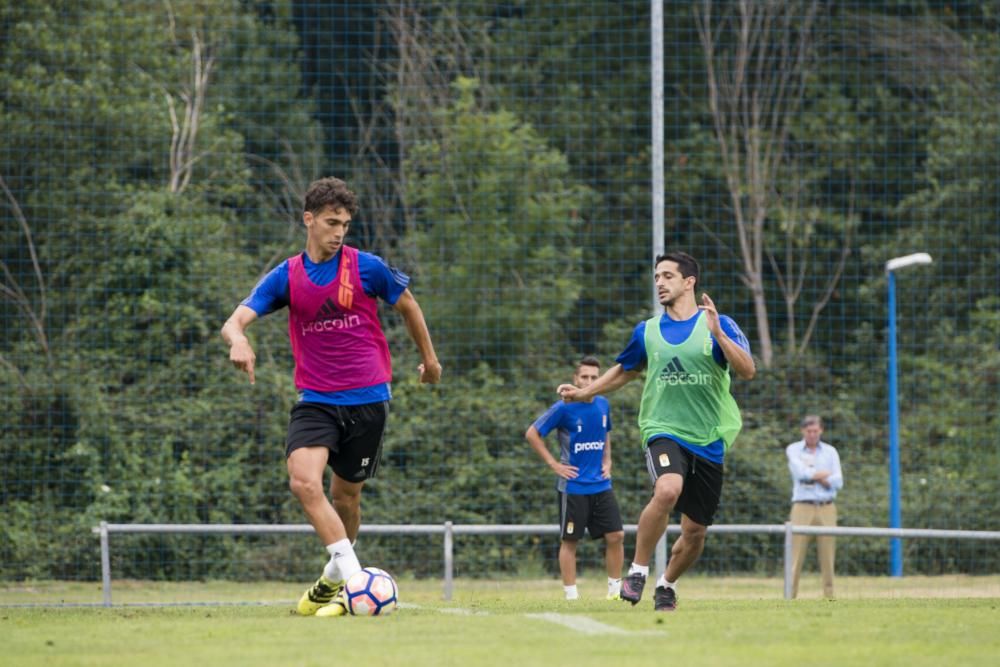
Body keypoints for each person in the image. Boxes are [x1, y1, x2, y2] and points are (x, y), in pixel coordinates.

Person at [220, 177, 441, 617]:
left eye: (345, 223)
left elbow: (410, 305)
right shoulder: (288, 275)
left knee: (346, 498)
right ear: (309, 220)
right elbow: (234, 320)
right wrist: (238, 340)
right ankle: (358, 581)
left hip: (368, 399)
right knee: (303, 481)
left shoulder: (366, 267)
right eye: (331, 222)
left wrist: (430, 361)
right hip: (316, 400)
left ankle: (335, 580)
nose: (339, 231)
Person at [558, 251, 754, 612]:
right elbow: (624, 370)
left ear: (689, 282)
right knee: (667, 488)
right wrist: (585, 392)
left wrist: (719, 336)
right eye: (656, 277)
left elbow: (747, 370)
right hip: (662, 429)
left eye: (667, 276)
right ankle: (638, 570)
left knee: (695, 533)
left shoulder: (718, 322)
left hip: (709, 439)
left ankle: (666, 585)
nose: (660, 283)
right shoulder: (647, 331)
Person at [525, 356, 625, 601]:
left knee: (617, 536)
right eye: (585, 377)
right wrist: (554, 464)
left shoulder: (603, 404)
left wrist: (607, 461)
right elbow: (532, 433)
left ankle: (615, 590)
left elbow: (606, 434)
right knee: (570, 541)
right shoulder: (563, 407)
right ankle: (571, 595)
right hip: (573, 487)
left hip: (601, 484)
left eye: (594, 377)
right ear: (575, 379)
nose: (589, 381)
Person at [786, 414, 843, 599]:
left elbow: (838, 480)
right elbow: (800, 473)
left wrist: (815, 476)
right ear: (803, 431)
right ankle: (790, 595)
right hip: (802, 506)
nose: (812, 434)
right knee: (795, 555)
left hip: (827, 507)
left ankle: (829, 596)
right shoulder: (793, 449)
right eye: (809, 431)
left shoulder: (831, 452)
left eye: (816, 431)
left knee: (828, 556)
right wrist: (823, 476)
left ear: (821, 430)